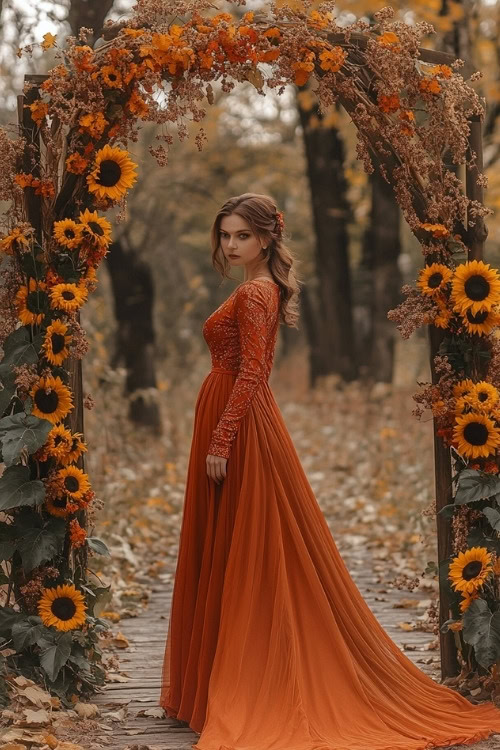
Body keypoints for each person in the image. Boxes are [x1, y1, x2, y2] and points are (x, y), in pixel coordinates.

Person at [159, 193, 500, 750]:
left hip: (239, 424)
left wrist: (222, 436)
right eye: (225, 236)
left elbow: (254, 373)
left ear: (267, 238)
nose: (230, 245)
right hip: (235, 418)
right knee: (233, 542)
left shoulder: (255, 292)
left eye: (241, 235)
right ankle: (218, 681)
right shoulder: (255, 289)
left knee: (253, 546)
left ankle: (253, 681)